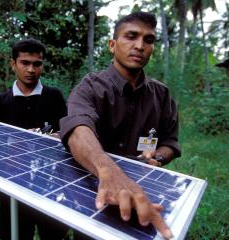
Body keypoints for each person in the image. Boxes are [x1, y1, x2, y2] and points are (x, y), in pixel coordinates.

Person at [60, 12, 180, 239]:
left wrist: (158, 158)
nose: (140, 45)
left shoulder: (161, 95)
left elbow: (170, 142)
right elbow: (78, 129)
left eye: (148, 40)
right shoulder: (90, 88)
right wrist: (107, 171)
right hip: (94, 194)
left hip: (144, 195)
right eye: (131, 36)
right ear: (112, 45)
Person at [0, 38, 68, 240]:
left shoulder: (53, 97)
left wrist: (50, 136)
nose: (31, 69)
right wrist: (13, 142)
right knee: (14, 234)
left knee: (54, 235)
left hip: (50, 185)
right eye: (25, 63)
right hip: (13, 187)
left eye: (37, 64)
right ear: (13, 64)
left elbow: (68, 132)